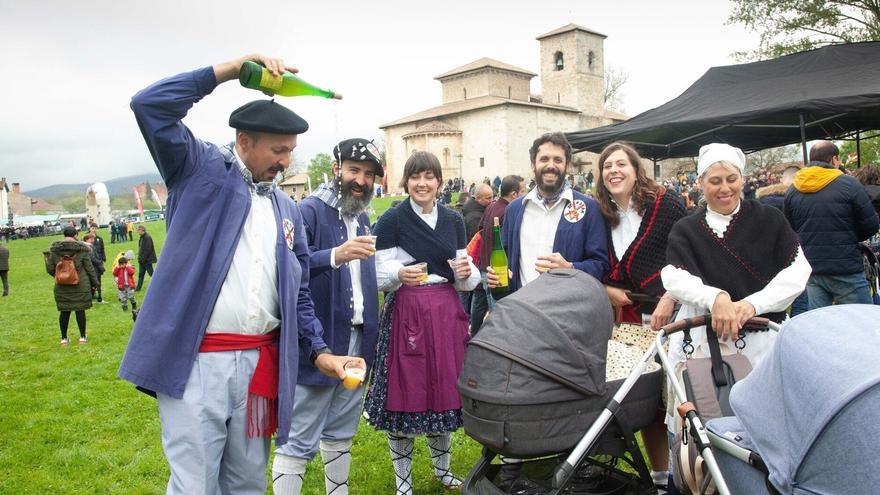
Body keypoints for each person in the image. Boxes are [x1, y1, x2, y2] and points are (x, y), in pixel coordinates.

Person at [117, 53, 361, 495]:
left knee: (248, 484)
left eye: (291, 151)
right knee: (195, 485)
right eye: (277, 150)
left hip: (259, 367)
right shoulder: (199, 170)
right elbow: (148, 105)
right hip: (197, 364)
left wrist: (319, 351)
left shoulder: (287, 209)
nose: (286, 162)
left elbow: (299, 293)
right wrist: (229, 72)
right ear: (244, 142)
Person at [661, 143, 811, 425]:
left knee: (766, 419)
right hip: (703, 340)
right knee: (704, 422)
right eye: (715, 181)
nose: (724, 188)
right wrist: (716, 298)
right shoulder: (687, 229)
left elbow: (797, 271)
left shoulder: (769, 220)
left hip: (761, 338)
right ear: (701, 183)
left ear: (742, 179)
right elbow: (674, 276)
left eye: (731, 179)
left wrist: (753, 305)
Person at [364, 151, 481, 495]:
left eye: (429, 177)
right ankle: (403, 485)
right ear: (406, 182)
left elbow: (463, 275)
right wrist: (399, 274)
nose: (422, 183)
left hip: (445, 312)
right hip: (407, 312)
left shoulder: (453, 220)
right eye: (415, 177)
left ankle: (443, 472)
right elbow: (376, 274)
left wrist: (467, 272)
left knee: (440, 393)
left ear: (439, 183)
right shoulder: (392, 221)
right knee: (406, 393)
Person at [272, 138, 383, 495]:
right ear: (336, 170)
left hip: (357, 337)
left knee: (340, 430)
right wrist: (335, 254)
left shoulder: (362, 216)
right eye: (354, 170)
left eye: (368, 174)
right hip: (318, 340)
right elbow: (289, 271)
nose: (361, 180)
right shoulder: (309, 211)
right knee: (299, 437)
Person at [594, 142, 687, 492]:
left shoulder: (665, 205)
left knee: (675, 396)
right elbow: (596, 261)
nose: (614, 171)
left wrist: (670, 295)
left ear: (636, 169)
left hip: (670, 314)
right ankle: (662, 479)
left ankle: (688, 473)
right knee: (644, 397)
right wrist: (606, 289)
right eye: (607, 166)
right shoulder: (600, 214)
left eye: (621, 164)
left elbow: (688, 255)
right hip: (625, 319)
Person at [487, 132, 608, 294]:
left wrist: (570, 268)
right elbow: (505, 257)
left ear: (567, 165)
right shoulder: (515, 209)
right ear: (533, 165)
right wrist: (497, 276)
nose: (551, 165)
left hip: (568, 311)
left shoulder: (589, 208)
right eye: (544, 159)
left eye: (558, 160)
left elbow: (601, 265)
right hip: (522, 309)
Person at [784, 141, 879, 309]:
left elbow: (790, 228)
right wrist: (849, 237)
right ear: (834, 159)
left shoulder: (793, 189)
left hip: (813, 267)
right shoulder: (849, 184)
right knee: (860, 322)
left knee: (821, 325)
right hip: (846, 267)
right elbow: (870, 225)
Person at [472, 174, 525, 332]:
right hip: (496, 272)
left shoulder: (492, 206)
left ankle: (473, 335)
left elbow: (480, 230)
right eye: (523, 191)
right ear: (514, 194)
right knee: (497, 312)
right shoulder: (507, 211)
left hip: (484, 265)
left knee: (479, 305)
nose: (526, 194)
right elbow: (505, 245)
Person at [46, 226, 98, 346]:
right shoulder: (82, 250)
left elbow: (50, 268)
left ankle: (64, 338)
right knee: (80, 311)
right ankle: (82, 337)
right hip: (80, 284)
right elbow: (90, 269)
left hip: (62, 286)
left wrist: (61, 276)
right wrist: (95, 283)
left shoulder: (55, 250)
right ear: (75, 235)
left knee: (64, 311)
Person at [459, 183, 493, 316]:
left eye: (492, 197)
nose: (491, 201)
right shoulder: (474, 216)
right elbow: (477, 241)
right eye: (488, 198)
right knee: (473, 297)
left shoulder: (477, 211)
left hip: (473, 261)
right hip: (473, 261)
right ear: (478, 198)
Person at [83, 233, 106, 303]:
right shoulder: (88, 247)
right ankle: (99, 299)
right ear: (87, 239)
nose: (93, 240)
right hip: (94, 268)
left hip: (93, 268)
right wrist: (100, 262)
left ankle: (93, 298)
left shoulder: (89, 246)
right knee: (97, 283)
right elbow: (92, 258)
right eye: (91, 239)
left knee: (93, 284)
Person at [134, 225, 157, 291]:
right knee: (141, 275)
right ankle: (138, 289)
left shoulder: (147, 237)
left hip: (147, 260)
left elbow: (148, 250)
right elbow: (141, 249)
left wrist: (143, 259)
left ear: (142, 230)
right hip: (141, 260)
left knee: (151, 274)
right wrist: (139, 258)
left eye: (138, 230)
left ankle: (158, 285)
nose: (137, 232)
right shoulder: (141, 237)